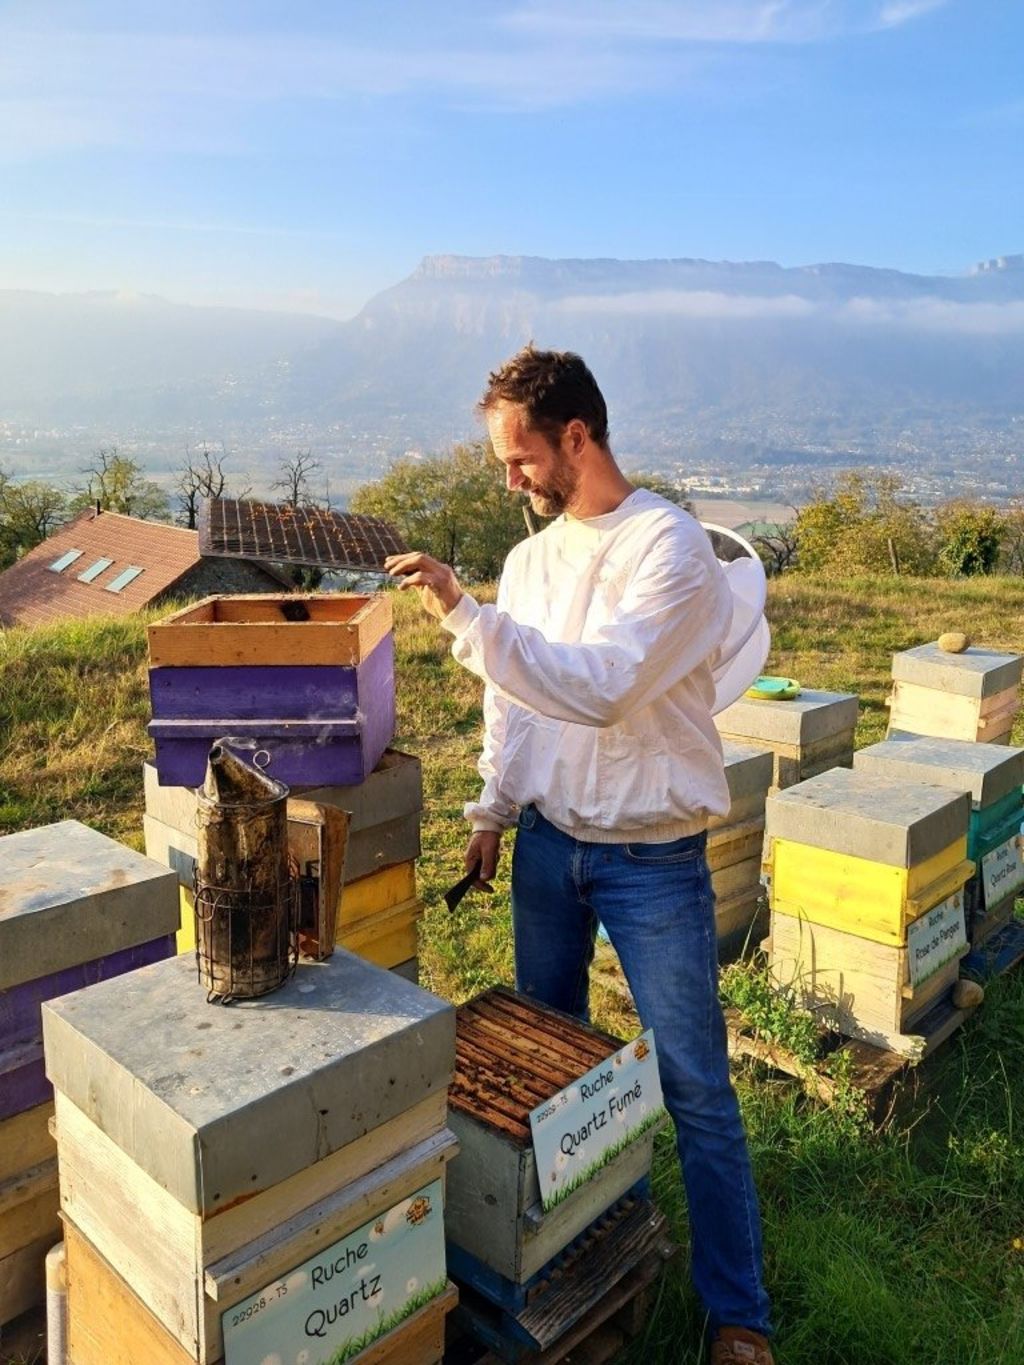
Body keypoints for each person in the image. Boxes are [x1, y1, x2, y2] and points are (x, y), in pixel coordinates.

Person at [385, 345, 773, 1365]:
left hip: (652, 858)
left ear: (576, 436)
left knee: (693, 1083)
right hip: (552, 849)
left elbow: (602, 684)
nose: (507, 480)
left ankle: (738, 1315)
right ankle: (570, 1256)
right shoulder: (529, 559)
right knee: (546, 1077)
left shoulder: (669, 548)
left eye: (519, 459)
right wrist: (491, 811)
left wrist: (463, 617)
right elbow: (518, 699)